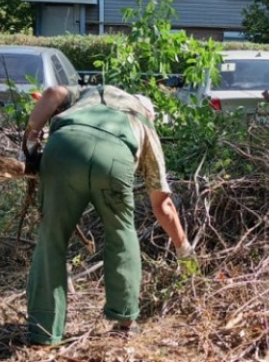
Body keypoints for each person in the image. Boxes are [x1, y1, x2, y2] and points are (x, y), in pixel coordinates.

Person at [23, 84, 194, 345]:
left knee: (52, 237)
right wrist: (185, 252)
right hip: (114, 160)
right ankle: (125, 322)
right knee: (121, 232)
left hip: (65, 147)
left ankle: (44, 331)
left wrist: (30, 142)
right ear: (148, 113)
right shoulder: (145, 125)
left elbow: (52, 93)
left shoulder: (90, 93)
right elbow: (163, 206)